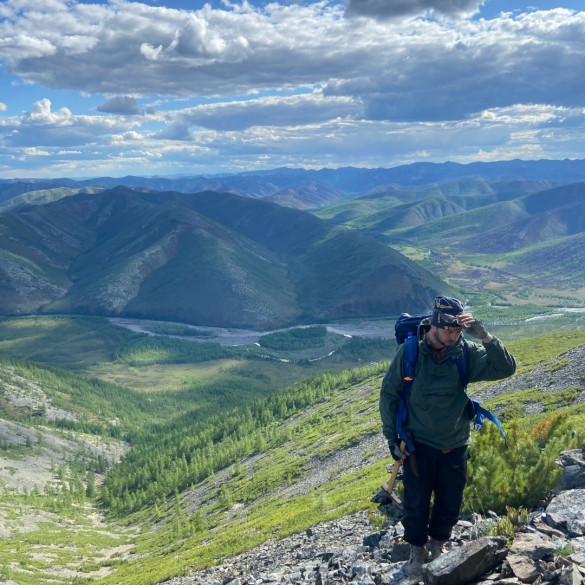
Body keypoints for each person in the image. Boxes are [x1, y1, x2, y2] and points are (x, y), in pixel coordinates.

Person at [379, 296, 516, 579]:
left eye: (458, 330)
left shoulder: (464, 352)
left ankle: (438, 545)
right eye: (449, 330)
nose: (454, 335)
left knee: (450, 502)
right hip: (417, 446)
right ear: (434, 325)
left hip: (455, 444)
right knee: (416, 504)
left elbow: (506, 368)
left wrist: (487, 338)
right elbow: (389, 395)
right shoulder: (410, 355)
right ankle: (416, 552)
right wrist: (393, 440)